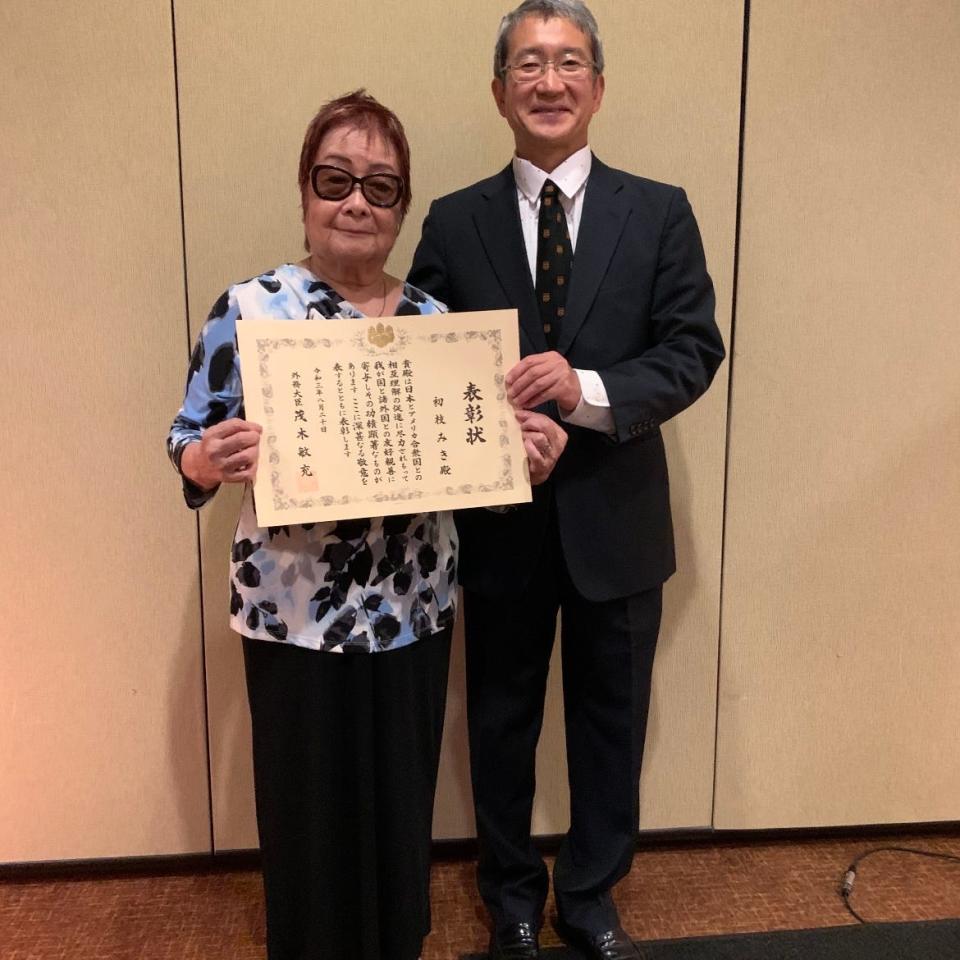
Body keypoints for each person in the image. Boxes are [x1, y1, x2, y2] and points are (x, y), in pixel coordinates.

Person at [167, 90, 565, 960]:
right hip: (292, 615)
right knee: (306, 806)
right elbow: (186, 441)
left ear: (401, 209)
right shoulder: (252, 308)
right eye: (335, 179)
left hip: (412, 610)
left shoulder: (433, 325)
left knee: (397, 803)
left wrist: (522, 458)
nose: (356, 201)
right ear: (305, 193)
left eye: (380, 188)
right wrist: (207, 459)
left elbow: (476, 475)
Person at [409, 3, 726, 959]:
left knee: (609, 726)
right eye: (529, 65)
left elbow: (693, 350)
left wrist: (583, 390)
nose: (549, 82)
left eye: (570, 63)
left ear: (598, 85)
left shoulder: (659, 209)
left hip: (617, 523)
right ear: (499, 87)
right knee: (499, 723)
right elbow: (428, 367)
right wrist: (503, 428)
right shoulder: (453, 221)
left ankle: (590, 895)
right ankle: (509, 896)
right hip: (497, 521)